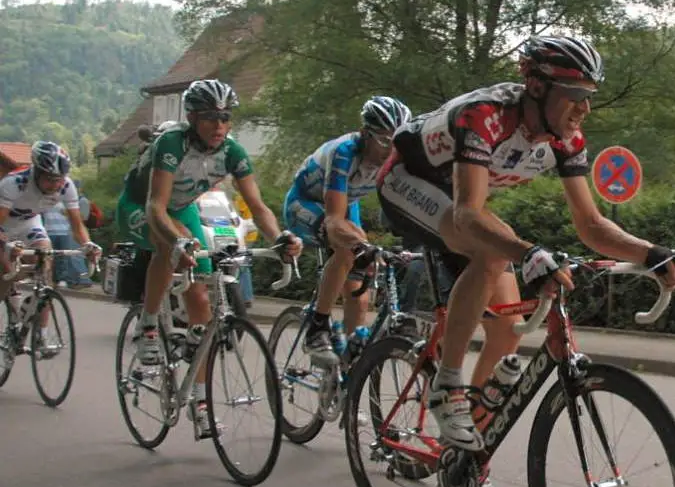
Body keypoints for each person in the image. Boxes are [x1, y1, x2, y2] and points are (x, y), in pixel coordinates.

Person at [376, 35, 675, 487]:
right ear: (537, 87)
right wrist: (528, 254)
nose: (584, 109)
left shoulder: (565, 138)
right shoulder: (484, 116)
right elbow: (466, 213)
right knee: (493, 252)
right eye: (575, 95)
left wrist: (650, 253)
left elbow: (591, 225)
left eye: (590, 96)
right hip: (408, 184)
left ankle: (465, 453)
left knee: (506, 326)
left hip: (461, 204)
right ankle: (447, 386)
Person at [116, 79, 302, 437]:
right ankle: (149, 325)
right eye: (209, 118)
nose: (219, 126)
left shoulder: (232, 152)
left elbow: (259, 207)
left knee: (201, 296)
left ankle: (201, 403)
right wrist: (176, 242)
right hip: (142, 207)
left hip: (182, 210)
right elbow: (156, 205)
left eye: (225, 117)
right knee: (168, 248)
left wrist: (279, 238)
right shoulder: (172, 143)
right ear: (192, 118)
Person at [283, 96, 412, 363]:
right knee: (347, 250)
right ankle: (317, 326)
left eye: (397, 142)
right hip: (305, 203)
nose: (391, 151)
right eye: (385, 141)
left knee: (359, 295)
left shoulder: (395, 158)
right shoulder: (344, 152)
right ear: (365, 134)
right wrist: (360, 244)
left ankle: (348, 372)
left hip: (346, 203)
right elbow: (333, 221)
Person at [0, 142, 101, 348]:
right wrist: (8, 247)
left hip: (29, 223)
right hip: (4, 225)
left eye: (59, 179)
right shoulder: (14, 183)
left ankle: (41, 334)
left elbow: (77, 225)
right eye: (49, 180)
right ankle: (7, 293)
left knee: (45, 262)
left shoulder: (66, 185)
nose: (55, 185)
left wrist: (88, 244)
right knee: (6, 269)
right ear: (36, 172)